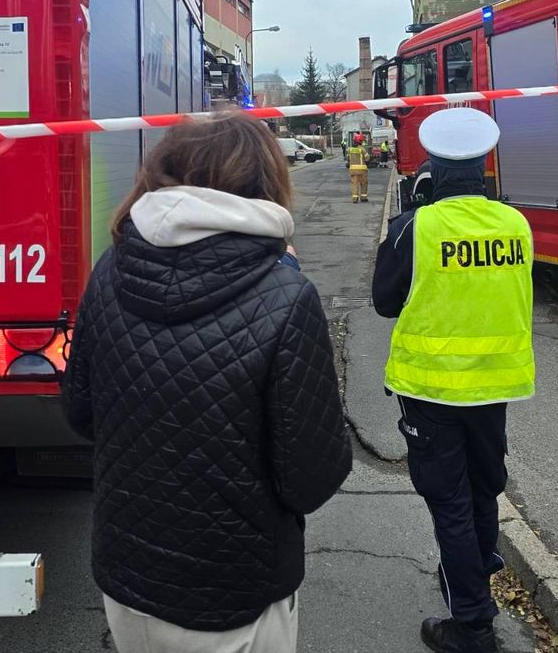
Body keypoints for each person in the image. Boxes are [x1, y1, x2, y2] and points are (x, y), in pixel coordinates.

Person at [63, 112, 352, 653]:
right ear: (265, 180)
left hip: (127, 578)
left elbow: (80, 413)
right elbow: (311, 479)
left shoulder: (110, 268)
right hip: (235, 589)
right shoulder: (285, 296)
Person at [371, 107, 535, 653]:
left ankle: (472, 625)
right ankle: (473, 579)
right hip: (496, 386)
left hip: (433, 389)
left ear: (433, 169)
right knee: (483, 490)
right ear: (485, 168)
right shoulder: (516, 223)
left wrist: (415, 215)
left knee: (449, 503)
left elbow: (383, 301)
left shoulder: (417, 227)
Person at [347, 133, 370, 203]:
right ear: (360, 141)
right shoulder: (362, 149)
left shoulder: (349, 149)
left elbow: (348, 158)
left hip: (353, 169)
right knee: (364, 183)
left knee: (354, 184)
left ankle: (354, 198)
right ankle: (363, 198)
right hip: (362, 169)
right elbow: (367, 158)